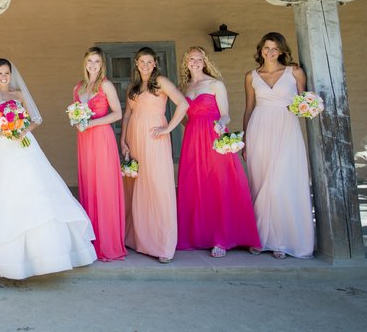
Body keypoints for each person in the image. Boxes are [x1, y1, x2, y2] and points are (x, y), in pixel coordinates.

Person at [0, 58, 96, 279]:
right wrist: (2, 131)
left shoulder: (18, 95)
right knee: (7, 191)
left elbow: (36, 119)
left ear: (11, 74)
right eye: (0, 74)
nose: (4, 77)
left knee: (37, 187)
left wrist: (22, 130)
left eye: (7, 73)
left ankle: (50, 253)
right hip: (4, 145)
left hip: (25, 144)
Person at [176, 47, 260, 257]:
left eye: (198, 59)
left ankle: (221, 238)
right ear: (186, 62)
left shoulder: (215, 84)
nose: (195, 62)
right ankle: (198, 235)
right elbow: (184, 118)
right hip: (192, 139)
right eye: (191, 58)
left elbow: (225, 115)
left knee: (219, 182)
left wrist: (221, 125)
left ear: (204, 61)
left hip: (214, 136)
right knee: (195, 184)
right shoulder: (184, 87)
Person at [243, 32, 315, 259]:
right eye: (266, 47)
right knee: (262, 184)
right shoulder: (251, 76)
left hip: (286, 128)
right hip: (259, 129)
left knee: (281, 184)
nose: (270, 52)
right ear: (260, 49)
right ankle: (261, 238)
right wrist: (244, 140)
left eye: (275, 48)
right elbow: (249, 108)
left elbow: (304, 100)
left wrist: (309, 106)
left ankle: (283, 242)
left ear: (282, 50)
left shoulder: (294, 72)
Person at [120, 47, 188, 264]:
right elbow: (128, 115)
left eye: (150, 62)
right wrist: (123, 140)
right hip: (135, 137)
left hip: (154, 137)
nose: (146, 66)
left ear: (155, 63)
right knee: (137, 185)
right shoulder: (133, 87)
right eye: (142, 62)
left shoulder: (162, 82)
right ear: (137, 64)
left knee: (158, 185)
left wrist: (168, 129)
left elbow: (184, 104)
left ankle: (162, 244)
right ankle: (139, 239)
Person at [72, 47, 126, 261]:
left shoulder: (106, 85)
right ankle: (91, 242)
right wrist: (77, 122)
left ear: (102, 64)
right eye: (89, 61)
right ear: (84, 63)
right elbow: (76, 113)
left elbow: (117, 114)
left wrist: (91, 122)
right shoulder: (78, 88)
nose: (92, 65)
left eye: (96, 61)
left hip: (102, 138)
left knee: (104, 187)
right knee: (90, 186)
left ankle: (108, 243)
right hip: (84, 140)